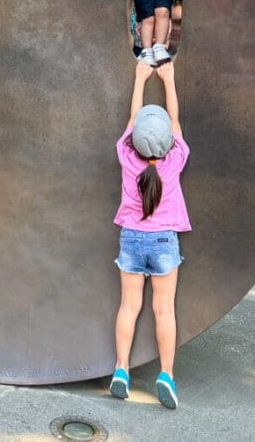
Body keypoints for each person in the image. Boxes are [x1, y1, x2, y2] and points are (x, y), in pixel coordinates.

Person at [110, 61, 189, 410]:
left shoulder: (127, 159)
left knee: (129, 306)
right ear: (169, 143)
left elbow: (131, 125)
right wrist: (169, 81)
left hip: (131, 237)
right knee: (163, 311)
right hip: (164, 242)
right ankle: (166, 375)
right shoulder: (174, 161)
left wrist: (140, 80)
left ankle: (121, 371)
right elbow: (174, 123)